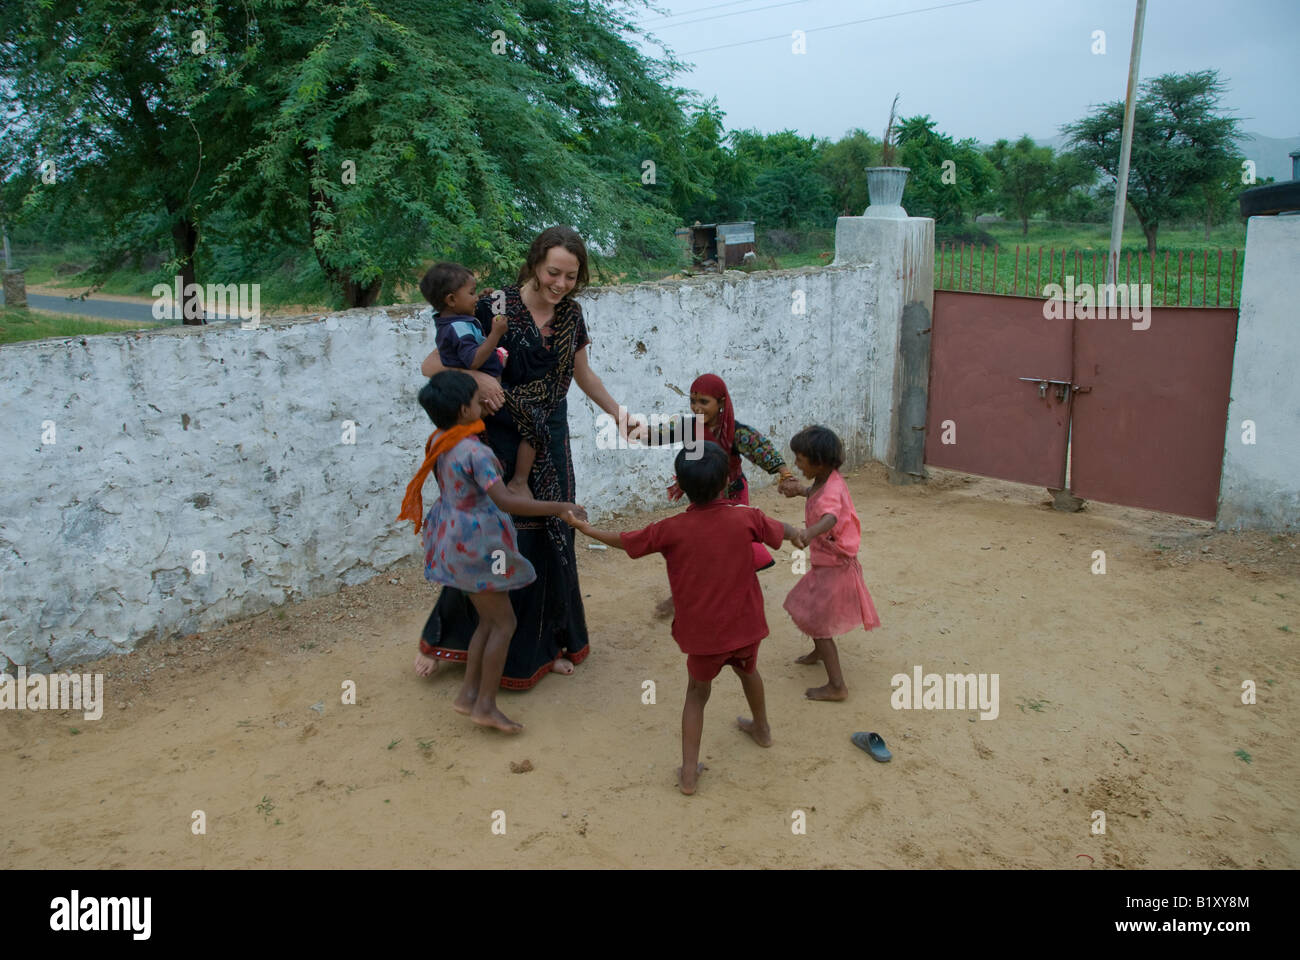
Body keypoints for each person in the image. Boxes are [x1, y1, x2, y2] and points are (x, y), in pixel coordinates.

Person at [415, 226, 643, 688]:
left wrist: (619, 414)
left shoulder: (573, 316)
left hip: (548, 436)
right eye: (553, 272)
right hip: (497, 433)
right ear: (536, 262)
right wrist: (477, 379)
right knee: (493, 539)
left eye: (571, 276)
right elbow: (432, 366)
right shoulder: (491, 306)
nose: (560, 284)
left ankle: (547, 643)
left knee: (553, 533)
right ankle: (451, 640)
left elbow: (582, 375)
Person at [564, 442, 801, 795]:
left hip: (704, 637)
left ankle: (689, 774)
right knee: (749, 671)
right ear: (726, 482)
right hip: (746, 626)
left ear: (680, 484)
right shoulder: (746, 516)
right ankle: (763, 730)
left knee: (696, 694)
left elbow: (625, 540)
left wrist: (586, 530)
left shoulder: (670, 529)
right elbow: (781, 529)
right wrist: (800, 533)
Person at [397, 371, 585, 732]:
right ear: (463, 409)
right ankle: (485, 705)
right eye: (475, 399)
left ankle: (468, 695)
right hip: (479, 546)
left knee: (488, 619)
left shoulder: (440, 439)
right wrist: (560, 506)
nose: (482, 402)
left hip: (452, 541)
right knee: (505, 623)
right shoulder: (476, 451)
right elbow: (505, 500)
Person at [648, 373, 799, 617]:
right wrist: (625, 423)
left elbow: (763, 450)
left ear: (721, 403)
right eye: (693, 401)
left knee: (734, 549)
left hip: (733, 497)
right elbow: (655, 434)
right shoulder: (688, 427)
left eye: (704, 402)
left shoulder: (738, 433)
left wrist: (785, 474)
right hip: (702, 497)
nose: (696, 408)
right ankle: (683, 596)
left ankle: (737, 596)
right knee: (700, 547)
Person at [419, 261, 537, 501]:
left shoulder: (455, 320)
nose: (475, 298)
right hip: (482, 394)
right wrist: (495, 334)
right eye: (471, 293)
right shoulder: (458, 326)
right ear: (451, 300)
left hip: (480, 393)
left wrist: (480, 299)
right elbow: (470, 359)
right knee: (533, 425)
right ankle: (519, 483)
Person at [780, 425, 881, 701]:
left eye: (800, 459)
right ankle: (818, 652)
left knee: (819, 622)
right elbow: (819, 496)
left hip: (835, 567)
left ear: (819, 462)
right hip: (826, 563)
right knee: (809, 609)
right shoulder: (828, 479)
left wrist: (807, 533)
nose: (797, 464)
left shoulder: (830, 492)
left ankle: (837, 686)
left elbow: (830, 517)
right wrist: (801, 490)